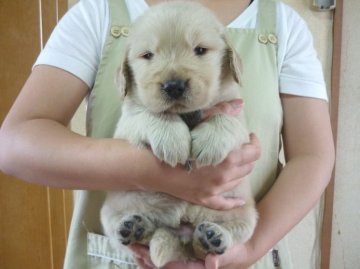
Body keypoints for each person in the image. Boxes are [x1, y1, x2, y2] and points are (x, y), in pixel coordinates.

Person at [0, 0, 334, 268]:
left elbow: (313, 155)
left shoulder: (282, 25)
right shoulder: (97, 12)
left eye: (201, 50)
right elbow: (14, 144)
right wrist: (150, 172)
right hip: (125, 255)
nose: (174, 78)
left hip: (238, 250)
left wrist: (249, 248)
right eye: (147, 56)